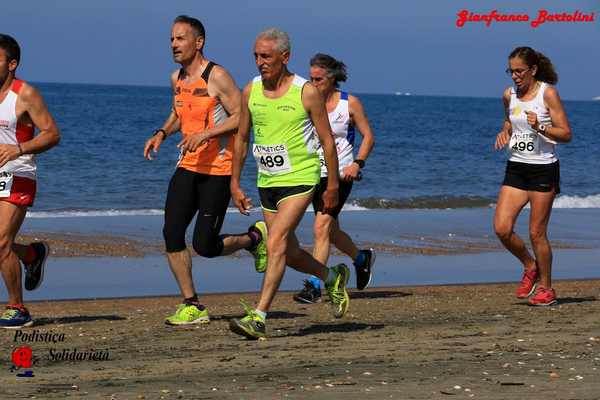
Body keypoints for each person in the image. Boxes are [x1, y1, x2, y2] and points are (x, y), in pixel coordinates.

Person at [143, 16, 267, 326]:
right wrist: (161, 132)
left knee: (204, 246)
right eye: (171, 39)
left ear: (198, 42)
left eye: (180, 38)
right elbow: (178, 111)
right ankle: (192, 305)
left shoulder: (218, 76)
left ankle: (254, 238)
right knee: (171, 232)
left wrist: (206, 134)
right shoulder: (177, 78)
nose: (173, 44)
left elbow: (241, 117)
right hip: (187, 166)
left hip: (218, 170)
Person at [229, 29, 350, 339]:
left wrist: (332, 184)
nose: (259, 62)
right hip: (267, 181)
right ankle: (331, 275)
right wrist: (234, 183)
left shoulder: (305, 92)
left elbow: (327, 141)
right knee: (291, 252)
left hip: (301, 178)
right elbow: (242, 138)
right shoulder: (250, 91)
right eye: (256, 56)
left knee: (275, 242)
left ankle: (258, 316)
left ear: (285, 57)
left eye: (266, 56)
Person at [293, 53, 376, 304]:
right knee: (331, 230)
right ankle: (362, 258)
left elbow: (368, 137)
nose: (313, 83)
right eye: (311, 78)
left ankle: (316, 285)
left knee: (321, 228)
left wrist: (357, 163)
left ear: (331, 79)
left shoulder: (349, 103)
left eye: (318, 79)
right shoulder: (307, 100)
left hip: (340, 175)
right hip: (312, 172)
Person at [494, 46, 572, 306]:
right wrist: (504, 131)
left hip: (543, 168)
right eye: (511, 71)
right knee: (502, 229)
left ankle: (547, 289)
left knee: (537, 233)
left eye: (519, 71)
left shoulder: (547, 94)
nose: (514, 76)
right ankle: (530, 265)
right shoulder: (509, 95)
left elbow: (566, 134)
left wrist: (539, 126)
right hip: (516, 167)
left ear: (533, 70)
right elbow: (509, 119)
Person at [0, 34, 60, 328]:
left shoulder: (25, 94)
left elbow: (52, 133)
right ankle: (32, 254)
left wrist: (19, 148)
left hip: (19, 172)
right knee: (3, 244)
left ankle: (17, 308)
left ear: (12, 64)